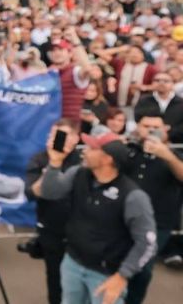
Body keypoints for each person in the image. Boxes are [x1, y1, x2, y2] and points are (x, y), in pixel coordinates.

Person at [40, 126, 157, 304]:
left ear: (107, 158)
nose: (84, 151)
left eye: (92, 148)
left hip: (106, 274)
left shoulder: (134, 197)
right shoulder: (78, 173)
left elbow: (147, 242)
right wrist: (55, 163)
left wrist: (122, 276)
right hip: (72, 263)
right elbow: (50, 193)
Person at [122, 115, 183, 304]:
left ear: (165, 129)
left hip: (158, 223)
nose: (150, 130)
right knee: (117, 263)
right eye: (145, 126)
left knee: (142, 267)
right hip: (121, 219)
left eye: (155, 127)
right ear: (137, 128)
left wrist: (167, 156)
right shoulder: (128, 150)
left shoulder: (175, 154)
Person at [25, 118, 83, 304]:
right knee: (55, 278)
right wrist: (53, 164)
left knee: (82, 280)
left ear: (76, 138)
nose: (57, 139)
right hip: (52, 230)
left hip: (81, 232)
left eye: (63, 136)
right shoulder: (40, 158)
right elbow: (32, 192)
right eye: (53, 135)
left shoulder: (85, 160)